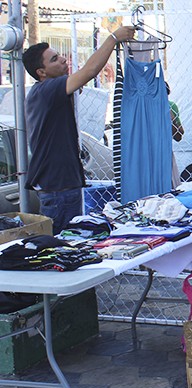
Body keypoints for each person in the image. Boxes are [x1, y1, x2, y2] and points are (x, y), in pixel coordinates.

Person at [22, 26, 136, 234]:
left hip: (60, 190)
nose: (63, 60)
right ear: (41, 72)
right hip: (59, 193)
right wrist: (112, 39)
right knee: (65, 249)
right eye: (55, 59)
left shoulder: (47, 91)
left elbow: (80, 79)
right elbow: (90, 72)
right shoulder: (47, 90)